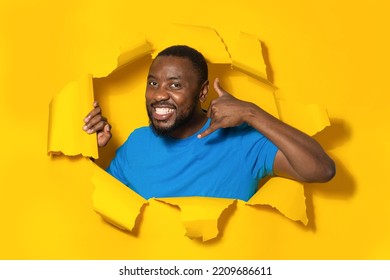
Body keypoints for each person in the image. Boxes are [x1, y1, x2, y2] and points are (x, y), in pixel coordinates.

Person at [83, 45, 335, 201]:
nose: (159, 94)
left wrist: (251, 113)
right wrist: (89, 153)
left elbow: (322, 170)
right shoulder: (136, 143)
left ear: (203, 93)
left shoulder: (242, 140)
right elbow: (100, 207)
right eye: (153, 83)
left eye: (175, 85)